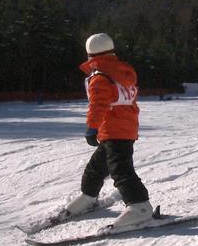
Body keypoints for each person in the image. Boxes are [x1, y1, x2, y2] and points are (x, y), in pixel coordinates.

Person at [62, 33, 153, 228]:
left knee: (120, 169)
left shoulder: (100, 76)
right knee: (97, 166)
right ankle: (88, 196)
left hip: (114, 130)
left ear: (90, 54)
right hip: (123, 127)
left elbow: (98, 103)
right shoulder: (121, 72)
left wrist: (92, 127)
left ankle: (140, 206)